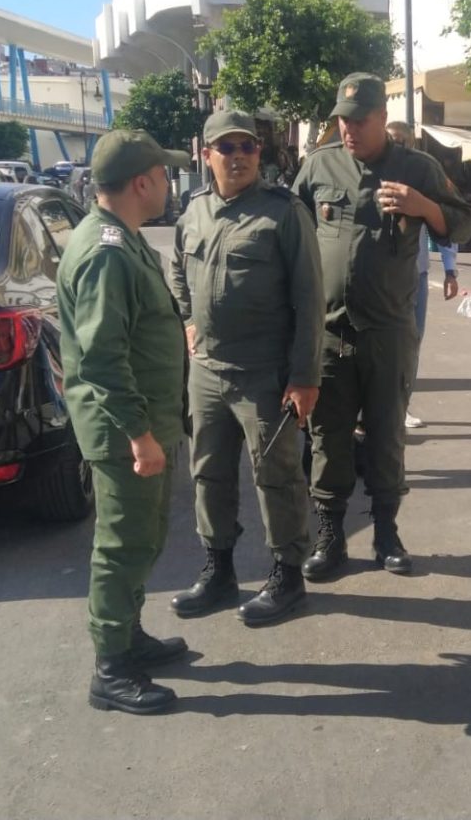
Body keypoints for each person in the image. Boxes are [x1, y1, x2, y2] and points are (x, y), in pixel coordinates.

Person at [293, 72, 471, 579]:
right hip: (329, 331)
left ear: (381, 118)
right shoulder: (319, 165)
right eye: (342, 121)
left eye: (359, 121)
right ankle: (330, 536)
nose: (348, 129)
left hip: (389, 330)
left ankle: (386, 532)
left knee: (386, 435)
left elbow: (464, 224)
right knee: (328, 438)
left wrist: (425, 208)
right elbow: (290, 234)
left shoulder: (417, 167)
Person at [166, 110, 324, 628]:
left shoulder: (284, 213)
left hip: (265, 373)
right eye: (227, 148)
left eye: (248, 147)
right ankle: (219, 571)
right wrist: (189, 319)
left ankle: (287, 577)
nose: (238, 157)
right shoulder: (194, 210)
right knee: (208, 474)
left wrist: (305, 377)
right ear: (205, 154)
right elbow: (177, 269)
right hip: (207, 370)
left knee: (276, 477)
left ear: (259, 153)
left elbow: (310, 300)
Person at [55, 129, 191, 715]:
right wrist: (139, 435)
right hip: (125, 431)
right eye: (163, 175)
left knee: (144, 537)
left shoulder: (121, 239)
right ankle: (111, 668)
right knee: (121, 545)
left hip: (146, 422)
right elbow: (102, 357)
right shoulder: (106, 252)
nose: (168, 184)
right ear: (141, 183)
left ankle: (128, 636)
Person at [385, 119, 460, 428]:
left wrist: (451, 270)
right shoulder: (371, 174)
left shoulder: (424, 177)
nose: (397, 146)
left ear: (412, 144)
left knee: (411, 344)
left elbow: (445, 225)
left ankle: (401, 406)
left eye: (402, 141)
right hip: (379, 279)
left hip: (416, 276)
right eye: (391, 139)